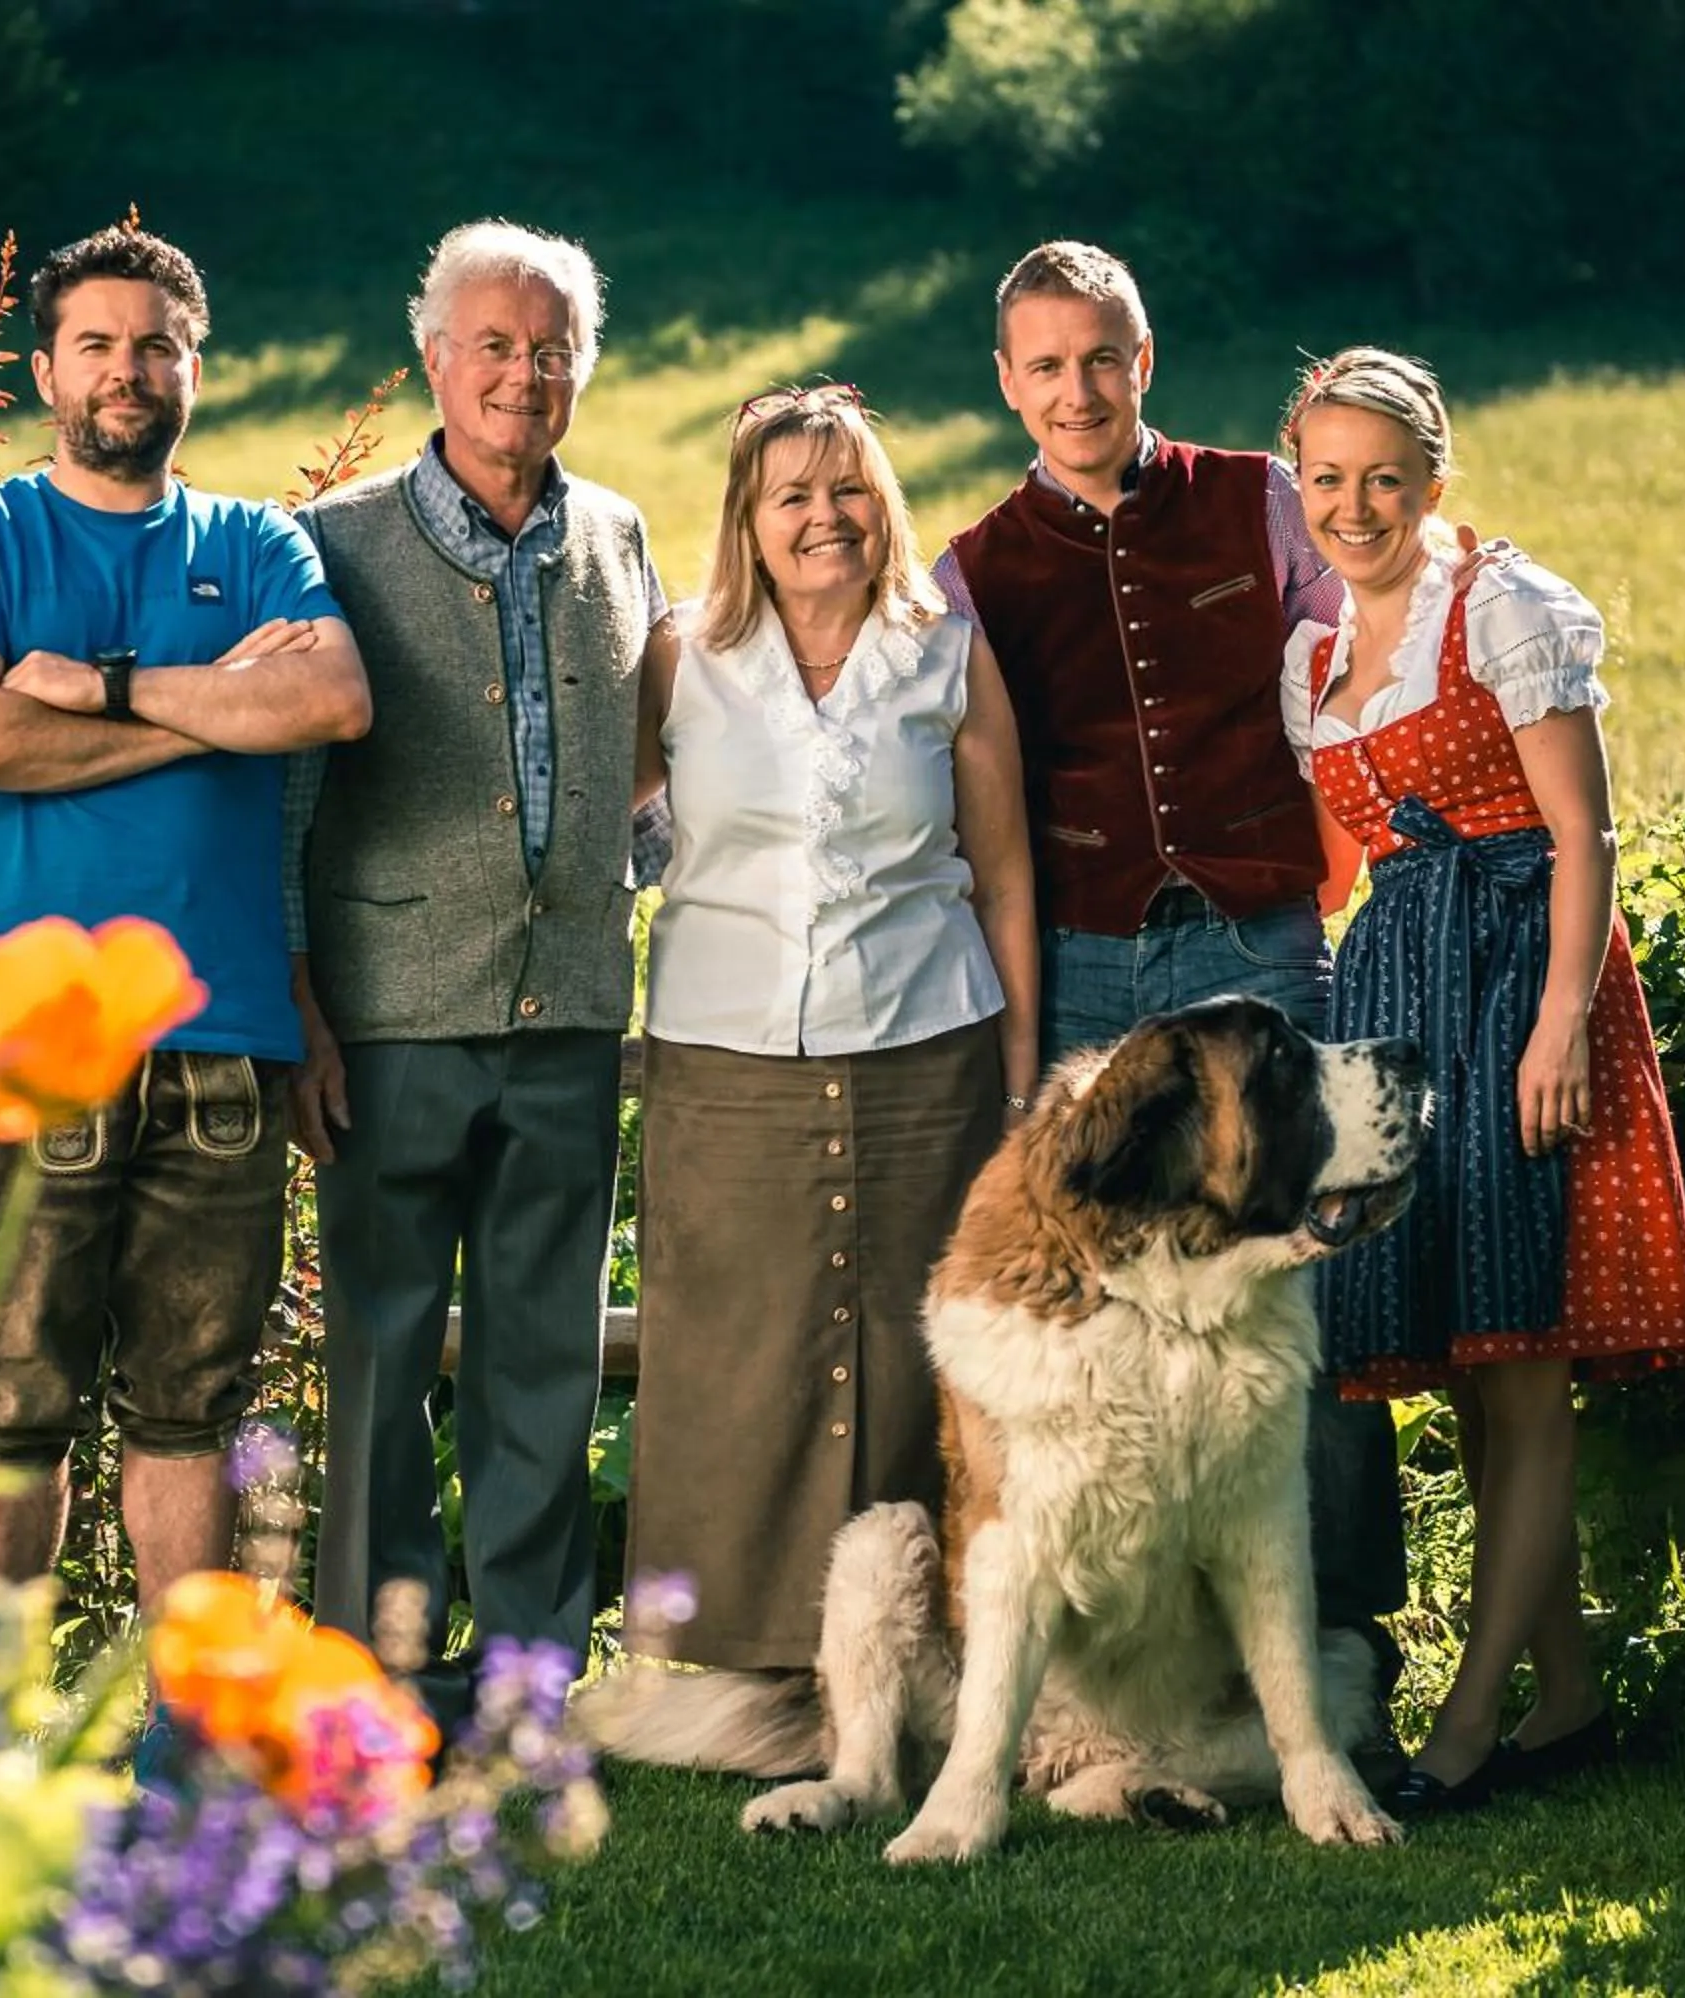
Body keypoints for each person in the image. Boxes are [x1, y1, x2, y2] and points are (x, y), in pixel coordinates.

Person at [932, 240, 1407, 1715]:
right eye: (1048, 366)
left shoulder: (1268, 498)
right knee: (1114, 1300)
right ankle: (1134, 1670)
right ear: (1008, 383)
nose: (1079, 390)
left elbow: (1384, 618)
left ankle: (1344, 1654)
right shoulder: (971, 568)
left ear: (1149, 360)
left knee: (1314, 1282)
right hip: (1085, 966)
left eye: (1103, 358)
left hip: (1262, 937)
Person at [0, 222, 372, 1622]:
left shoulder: (255, 540)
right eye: (97, 343)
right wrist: (207, 712)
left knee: (193, 1405)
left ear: (195, 369)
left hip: (214, 1038)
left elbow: (331, 703)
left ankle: (183, 1757)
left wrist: (102, 692)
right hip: (18, 1037)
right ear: (46, 368)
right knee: (7, 1397)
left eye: (156, 343)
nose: (128, 368)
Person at [1277, 346, 1685, 1816]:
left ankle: (1467, 1724)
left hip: (1523, 987)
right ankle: (1569, 1696)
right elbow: (1348, 857)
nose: (1354, 506)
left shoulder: (1505, 606)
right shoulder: (1317, 654)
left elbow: (1584, 836)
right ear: (1300, 482)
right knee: (1469, 1363)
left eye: (1382, 479)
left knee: (1523, 1366)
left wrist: (1560, 1027)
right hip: (1404, 994)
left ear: (1432, 482)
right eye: (1327, 479)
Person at [289, 220, 672, 1726]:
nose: (525, 375)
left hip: (571, 1008)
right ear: (434, 359)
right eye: (495, 347)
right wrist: (305, 1004)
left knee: (546, 1363)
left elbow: (645, 769)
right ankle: (383, 1677)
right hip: (391, 1017)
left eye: (551, 349)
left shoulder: (620, 535)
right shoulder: (335, 542)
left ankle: (525, 1680)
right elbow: (289, 801)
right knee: (382, 1360)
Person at [622, 384, 1037, 1676]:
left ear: (885, 504)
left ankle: (921, 1646)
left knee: (918, 1355)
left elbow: (1006, 873)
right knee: (736, 1354)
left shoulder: (945, 652)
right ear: (747, 516)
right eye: (792, 493)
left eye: (848, 488)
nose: (825, 517)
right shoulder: (683, 657)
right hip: (722, 1056)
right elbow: (597, 827)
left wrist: (1018, 1069)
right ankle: (733, 1651)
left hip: (928, 1050)